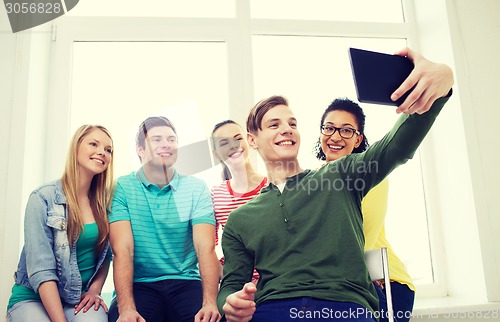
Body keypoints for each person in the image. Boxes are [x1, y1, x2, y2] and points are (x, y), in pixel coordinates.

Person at [217, 47, 454, 322]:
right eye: (274, 124)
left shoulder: (340, 175)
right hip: (274, 310)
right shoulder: (239, 220)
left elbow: (395, 148)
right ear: (253, 140)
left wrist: (441, 82)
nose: (287, 129)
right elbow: (231, 284)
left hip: (344, 308)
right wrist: (229, 302)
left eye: (292, 123)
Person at [108, 116, 221, 322]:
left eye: (171, 139)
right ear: (140, 149)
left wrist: (210, 303)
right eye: (157, 139)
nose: (166, 144)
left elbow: (205, 248)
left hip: (186, 281)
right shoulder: (121, 188)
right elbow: (122, 250)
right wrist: (126, 308)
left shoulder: (196, 188)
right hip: (140, 284)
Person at [314, 97, 415, 322]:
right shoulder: (311, 179)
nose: (336, 136)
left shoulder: (372, 176)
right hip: (345, 279)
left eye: (346, 130)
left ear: (358, 139)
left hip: (386, 283)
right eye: (329, 128)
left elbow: (362, 237)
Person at [6, 125, 114, 322]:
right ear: (76, 148)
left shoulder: (105, 204)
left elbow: (105, 256)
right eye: (94, 144)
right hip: (33, 298)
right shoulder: (42, 198)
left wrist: (94, 290)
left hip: (78, 300)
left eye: (108, 150)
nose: (102, 152)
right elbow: (42, 269)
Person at [210, 120, 267, 283]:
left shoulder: (272, 186)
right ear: (216, 154)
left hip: (272, 282)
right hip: (236, 283)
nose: (233, 145)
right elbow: (208, 246)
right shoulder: (215, 194)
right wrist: (225, 275)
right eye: (224, 143)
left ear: (249, 140)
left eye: (238, 138)